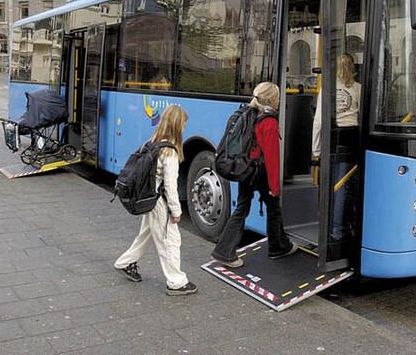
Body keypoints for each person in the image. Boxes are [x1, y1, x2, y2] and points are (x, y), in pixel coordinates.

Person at [114, 105, 198, 296]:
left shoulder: (153, 143)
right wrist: (176, 212)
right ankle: (176, 282)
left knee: (146, 235)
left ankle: (124, 262)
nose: (184, 128)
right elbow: (170, 186)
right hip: (160, 203)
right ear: (177, 126)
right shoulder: (170, 153)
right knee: (170, 241)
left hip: (149, 199)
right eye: (183, 124)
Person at [211, 82, 297, 268]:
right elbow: (272, 159)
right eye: (278, 97)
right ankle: (278, 247)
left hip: (246, 169)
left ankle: (224, 250)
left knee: (242, 207)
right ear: (273, 99)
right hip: (260, 171)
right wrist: (275, 187)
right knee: (273, 207)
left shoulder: (247, 112)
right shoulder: (269, 121)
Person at [311, 54, 361, 240]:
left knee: (334, 185)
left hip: (335, 138)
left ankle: (334, 228)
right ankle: (347, 226)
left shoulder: (328, 89)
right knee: (348, 184)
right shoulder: (358, 89)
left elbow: (319, 122)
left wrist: (316, 149)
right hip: (353, 138)